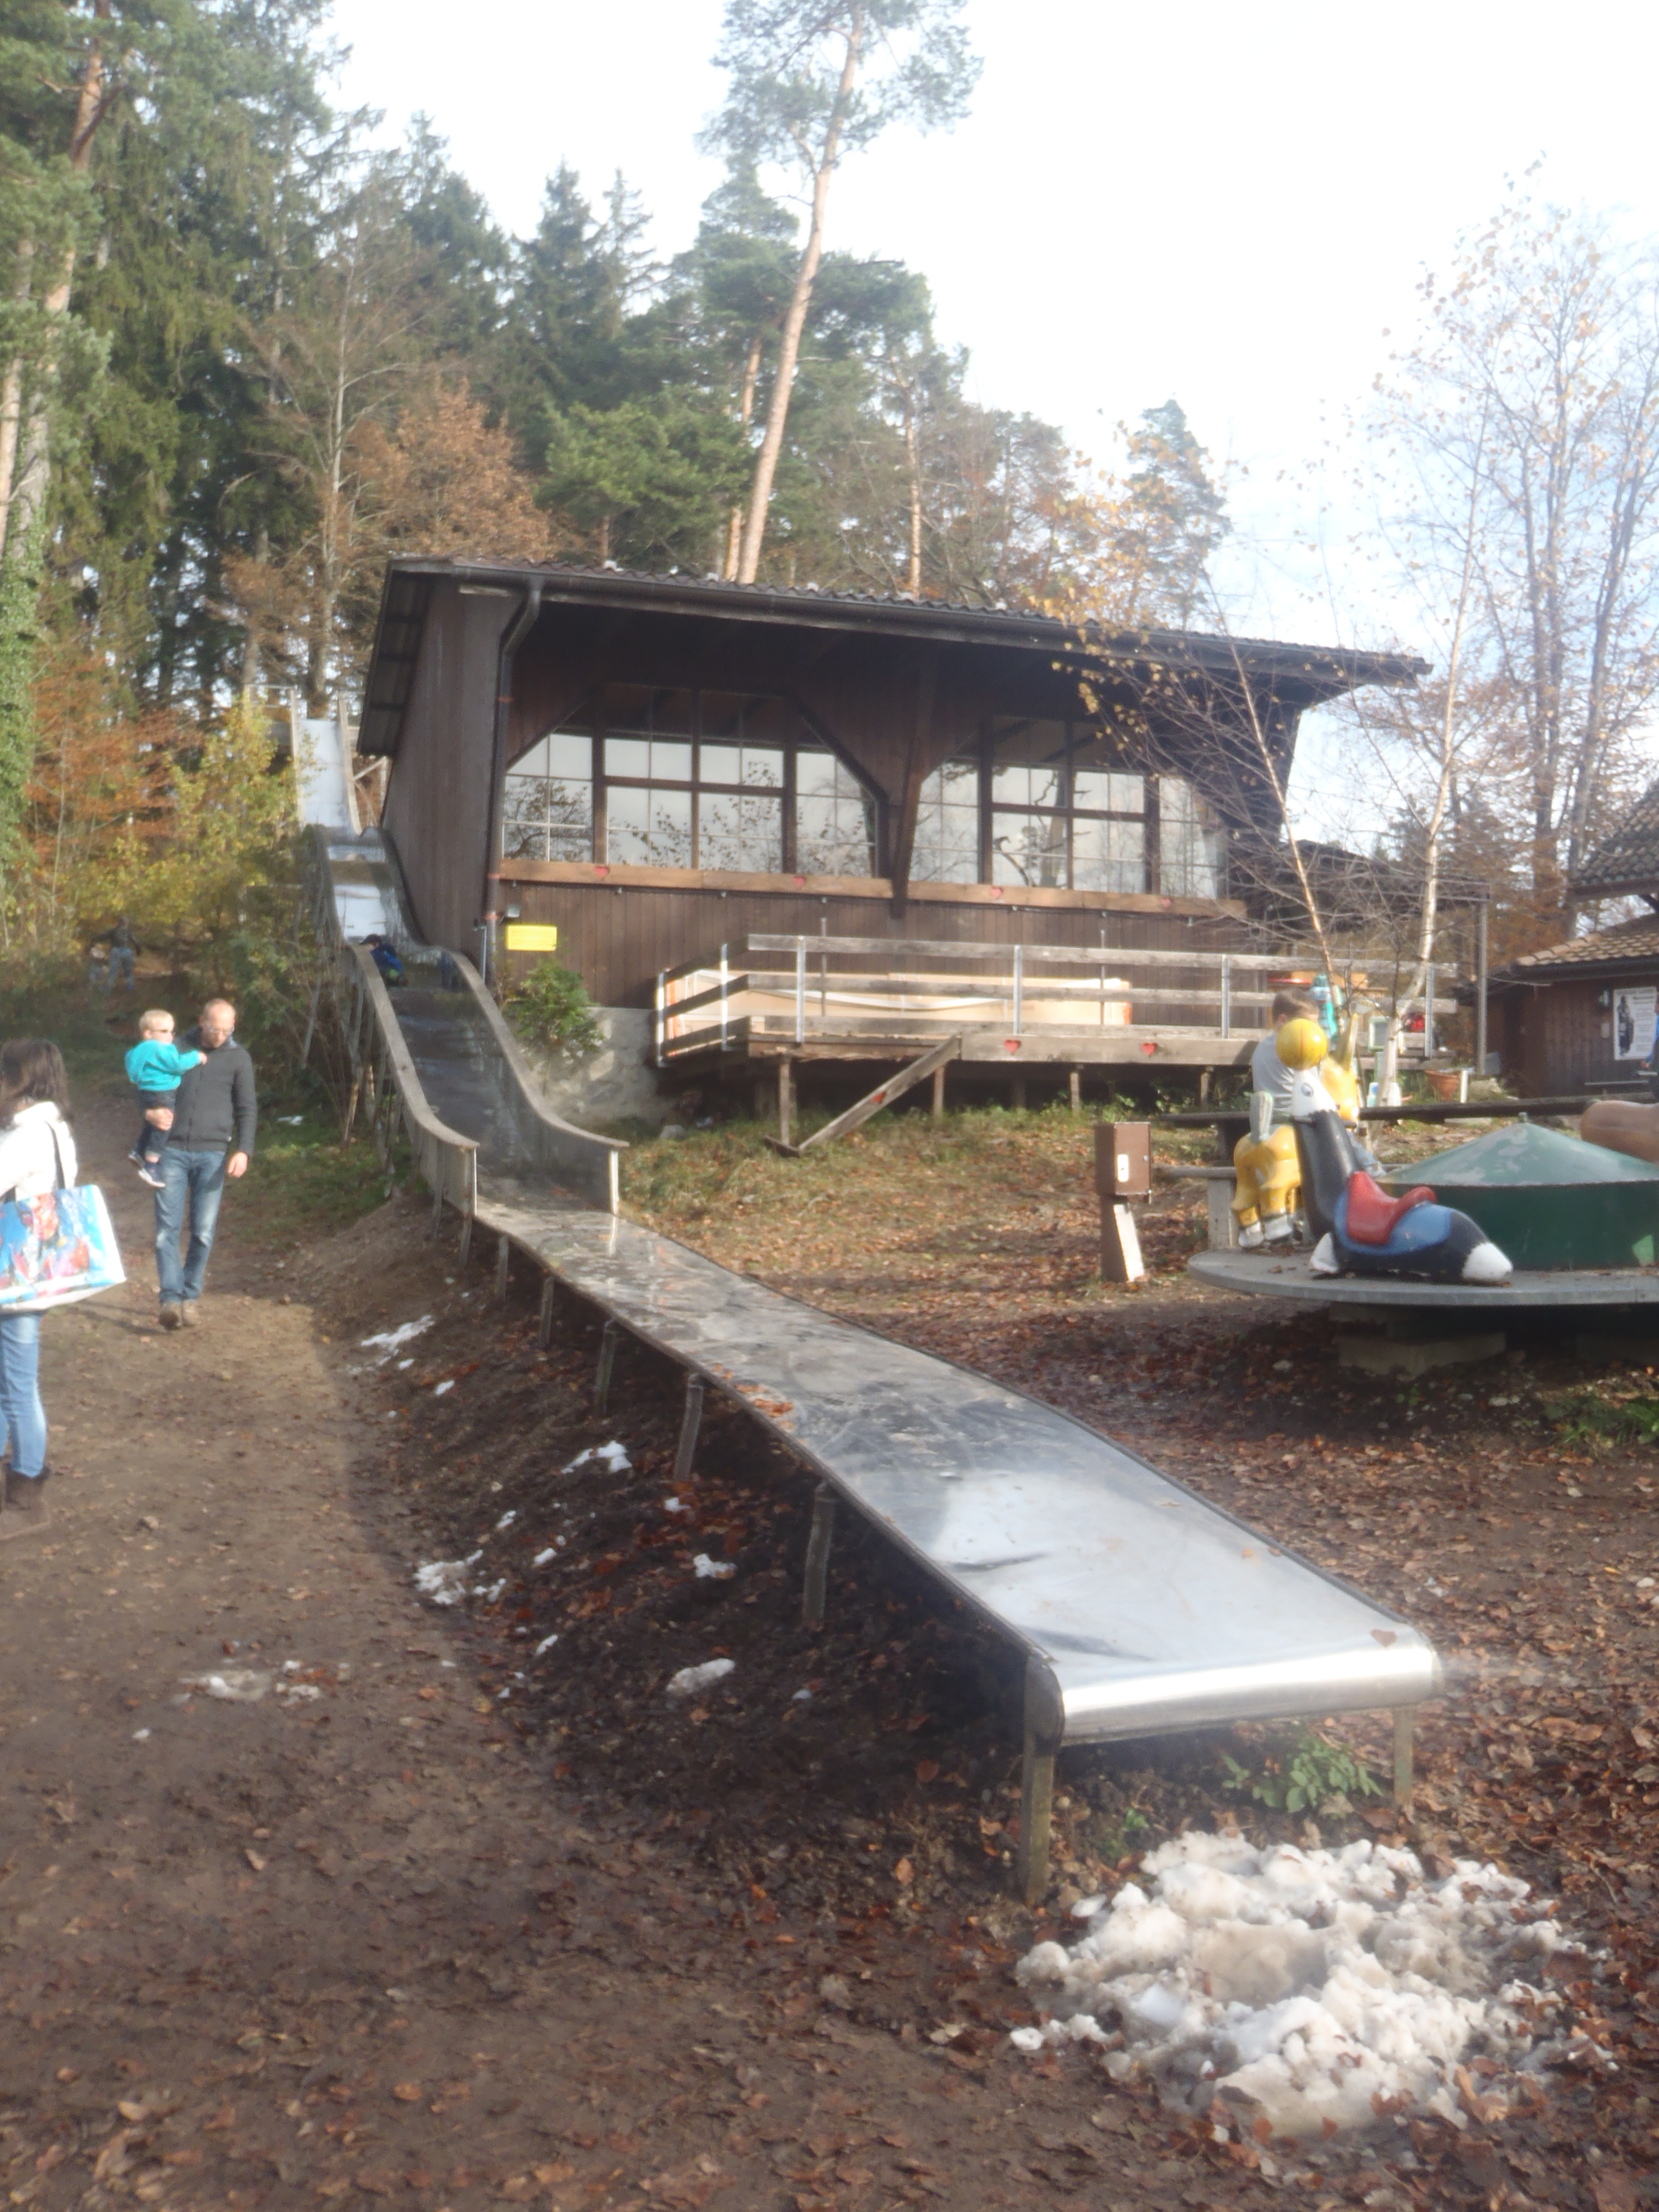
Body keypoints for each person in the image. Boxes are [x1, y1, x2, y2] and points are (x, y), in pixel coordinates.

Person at [0, 1040, 78, 1538]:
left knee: (18, 1388)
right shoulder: (54, 1125)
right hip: (28, 1274)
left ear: (18, 1080)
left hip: (17, 1279)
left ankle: (27, 1495)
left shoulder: (26, 1134)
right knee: (8, 1383)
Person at [150, 998, 256, 1330]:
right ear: (201, 1021)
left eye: (227, 1030)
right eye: (214, 1029)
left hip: (213, 1154)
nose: (220, 1036)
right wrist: (150, 1112)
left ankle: (190, 1297)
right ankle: (170, 1298)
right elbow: (150, 1084)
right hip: (172, 1150)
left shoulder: (239, 1058)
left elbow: (247, 1108)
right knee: (166, 1230)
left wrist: (244, 1150)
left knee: (203, 1231)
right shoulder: (176, 1049)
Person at [125, 1010, 204, 1189]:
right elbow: (176, 1065)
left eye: (172, 1031)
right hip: (162, 1092)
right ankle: (151, 1166)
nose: (170, 1036)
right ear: (148, 1033)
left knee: (152, 1124)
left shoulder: (140, 1050)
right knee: (164, 1125)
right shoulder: (158, 1048)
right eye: (164, 1031)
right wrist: (196, 1057)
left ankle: (138, 1151)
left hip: (147, 1091)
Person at [1250, 989, 1324, 1122]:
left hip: (1270, 1118)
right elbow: (1315, 1092)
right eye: (1306, 1026)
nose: (1313, 1031)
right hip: (1301, 1118)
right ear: (1283, 1021)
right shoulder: (1298, 1048)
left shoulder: (1261, 1048)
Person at [94, 916, 139, 992]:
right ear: (127, 924)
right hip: (127, 951)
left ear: (119, 923)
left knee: (112, 973)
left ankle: (108, 990)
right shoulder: (129, 932)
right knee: (128, 972)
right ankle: (130, 989)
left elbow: (103, 937)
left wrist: (94, 939)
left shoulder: (113, 930)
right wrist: (138, 950)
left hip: (116, 951)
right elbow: (136, 942)